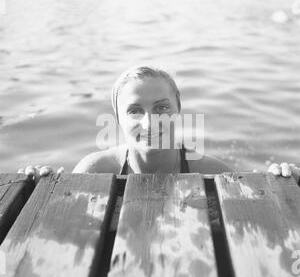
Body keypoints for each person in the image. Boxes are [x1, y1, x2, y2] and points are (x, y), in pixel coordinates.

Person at [18, 66, 300, 185]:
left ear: (178, 111)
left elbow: (256, 214)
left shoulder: (213, 173)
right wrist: (33, 191)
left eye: (162, 108)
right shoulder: (94, 171)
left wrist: (286, 182)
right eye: (135, 111)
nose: (150, 121)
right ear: (118, 120)